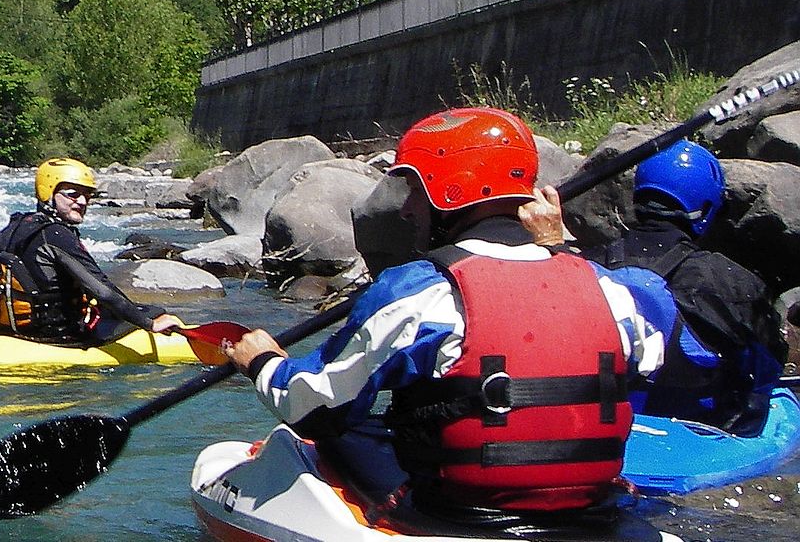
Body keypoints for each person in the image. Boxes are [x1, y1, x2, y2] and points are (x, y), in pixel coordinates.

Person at [221, 107, 671, 525]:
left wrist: (264, 364)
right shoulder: (616, 290)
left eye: (414, 190)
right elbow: (644, 365)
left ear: (446, 193)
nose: (406, 208)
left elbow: (316, 407)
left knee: (340, 432)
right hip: (592, 512)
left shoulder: (419, 291)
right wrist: (558, 250)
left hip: (462, 513)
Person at [522, 140, 783, 433]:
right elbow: (768, 367)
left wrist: (553, 246)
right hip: (697, 437)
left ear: (638, 198)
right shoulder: (734, 283)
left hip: (605, 432)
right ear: (707, 209)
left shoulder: (584, 267)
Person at [0, 157, 183, 345]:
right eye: (72, 194)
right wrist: (150, 324)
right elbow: (103, 291)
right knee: (153, 310)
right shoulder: (56, 235)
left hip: (18, 329)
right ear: (48, 192)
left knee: (116, 310)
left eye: (87, 195)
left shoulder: (18, 225)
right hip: (59, 336)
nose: (82, 201)